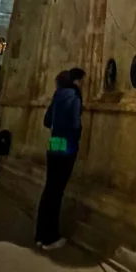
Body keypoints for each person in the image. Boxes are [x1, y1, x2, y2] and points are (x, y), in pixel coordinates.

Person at [35, 67, 85, 250]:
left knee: (49, 187)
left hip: (54, 141)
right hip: (67, 142)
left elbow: (47, 120)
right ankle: (50, 238)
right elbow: (74, 123)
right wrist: (76, 135)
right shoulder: (74, 95)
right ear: (77, 80)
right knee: (57, 189)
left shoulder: (58, 94)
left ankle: (40, 234)